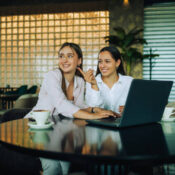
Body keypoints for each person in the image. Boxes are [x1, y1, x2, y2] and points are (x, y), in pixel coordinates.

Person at [25, 42, 117, 120]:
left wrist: (95, 110)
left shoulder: (79, 81)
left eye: (69, 56)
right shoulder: (52, 76)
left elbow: (79, 108)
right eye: (61, 56)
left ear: (79, 61)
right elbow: (61, 104)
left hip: (56, 126)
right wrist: (93, 116)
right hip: (34, 123)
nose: (64, 60)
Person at [78, 46, 133, 115]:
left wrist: (130, 110)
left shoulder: (130, 82)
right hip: (100, 123)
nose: (102, 65)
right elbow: (93, 110)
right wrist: (94, 86)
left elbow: (139, 105)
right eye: (100, 62)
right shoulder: (91, 82)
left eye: (107, 61)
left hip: (124, 124)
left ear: (117, 63)